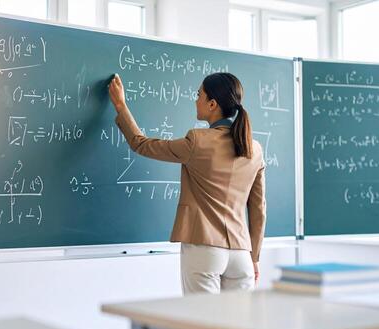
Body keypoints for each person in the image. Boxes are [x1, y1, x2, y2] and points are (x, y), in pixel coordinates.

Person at [108, 72, 266, 294]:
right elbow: (258, 209)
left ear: (212, 104)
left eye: (199, 94)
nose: (195, 99)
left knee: (201, 324)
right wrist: (254, 258)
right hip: (242, 255)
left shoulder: (198, 141)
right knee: (237, 327)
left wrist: (121, 106)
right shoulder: (255, 149)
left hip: (205, 250)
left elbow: (141, 144)